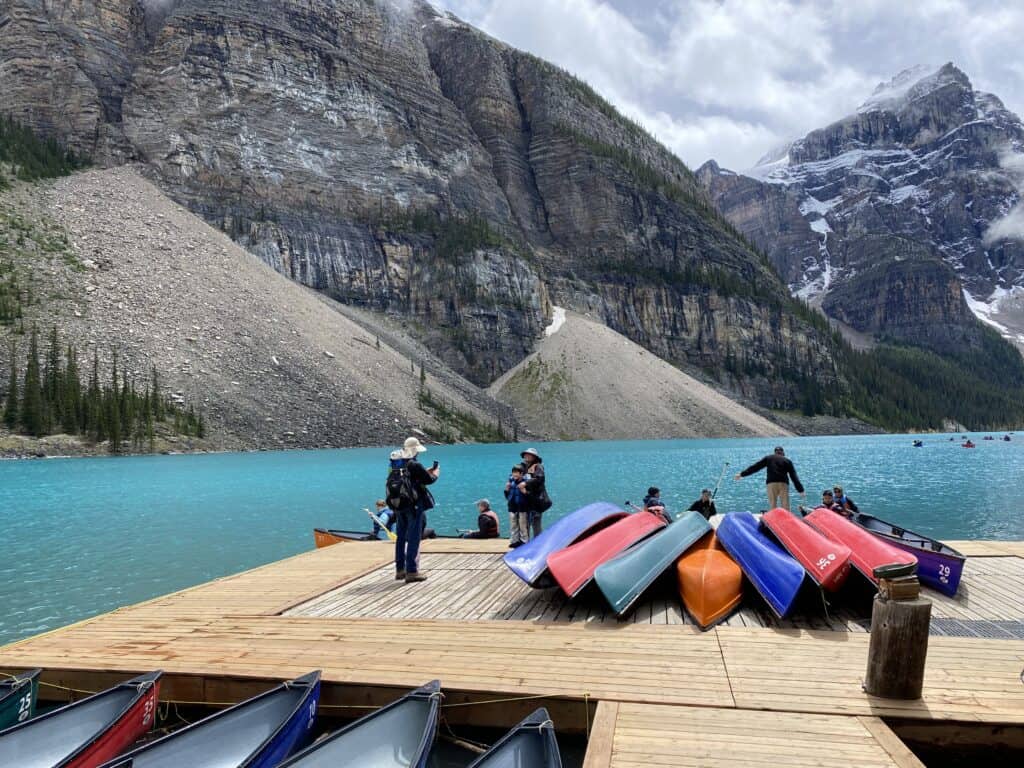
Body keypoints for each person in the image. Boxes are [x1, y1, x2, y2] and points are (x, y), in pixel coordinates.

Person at [386, 436, 439, 583]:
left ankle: (400, 569)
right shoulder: (414, 464)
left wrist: (424, 473)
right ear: (415, 450)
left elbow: (410, 479)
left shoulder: (396, 464)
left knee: (401, 536)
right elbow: (429, 480)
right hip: (413, 504)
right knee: (414, 537)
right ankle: (412, 571)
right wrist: (435, 473)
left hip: (398, 504)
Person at [734, 446, 805, 510]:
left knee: (773, 505)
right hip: (783, 484)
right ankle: (786, 522)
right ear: (783, 453)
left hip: (771, 483)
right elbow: (794, 477)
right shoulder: (787, 461)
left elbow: (755, 467)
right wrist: (800, 490)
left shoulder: (768, 458)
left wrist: (741, 474)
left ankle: (773, 521)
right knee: (785, 506)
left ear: (774, 452)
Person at [519, 448, 551, 538]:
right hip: (526, 498)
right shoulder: (523, 467)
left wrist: (525, 483)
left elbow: (540, 478)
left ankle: (538, 543)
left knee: (536, 523)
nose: (527, 456)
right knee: (525, 523)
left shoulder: (538, 467)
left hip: (536, 499)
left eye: (530, 455)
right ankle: (526, 544)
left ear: (534, 457)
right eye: (526, 454)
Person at [505, 463, 530, 548]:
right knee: (513, 524)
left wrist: (524, 491)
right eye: (513, 472)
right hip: (512, 506)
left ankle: (524, 541)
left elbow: (530, 495)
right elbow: (507, 496)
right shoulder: (510, 482)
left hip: (523, 507)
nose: (515, 474)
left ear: (521, 474)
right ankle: (514, 540)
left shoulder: (526, 483)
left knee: (523, 525)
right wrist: (506, 490)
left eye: (517, 472)